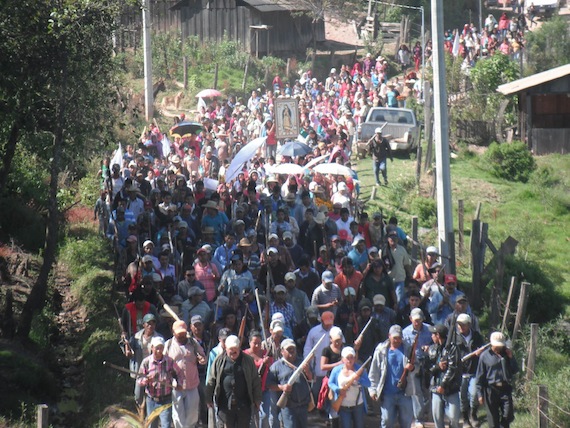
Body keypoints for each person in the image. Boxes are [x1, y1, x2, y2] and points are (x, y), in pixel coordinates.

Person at [205, 334, 262, 427]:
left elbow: (255, 380)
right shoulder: (219, 361)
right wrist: (208, 399)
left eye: (235, 349)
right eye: (230, 349)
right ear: (226, 348)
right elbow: (211, 380)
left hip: (244, 404)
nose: (233, 351)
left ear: (239, 347)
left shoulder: (248, 361)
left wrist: (257, 399)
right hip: (225, 404)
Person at [368, 325, 414, 428]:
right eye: (395, 338)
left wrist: (412, 368)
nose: (397, 340)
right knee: (387, 421)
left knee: (406, 423)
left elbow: (418, 367)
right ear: (389, 336)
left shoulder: (408, 348)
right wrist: (372, 389)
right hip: (387, 394)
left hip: (405, 393)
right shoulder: (381, 350)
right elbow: (374, 371)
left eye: (399, 338)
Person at [165, 320, 207, 428]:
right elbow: (163, 363)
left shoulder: (193, 343)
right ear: (173, 332)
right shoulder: (168, 345)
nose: (181, 336)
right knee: (178, 414)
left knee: (192, 413)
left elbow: (202, 356)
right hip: (176, 385)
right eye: (179, 334)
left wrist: (202, 359)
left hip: (192, 383)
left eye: (183, 334)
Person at [267, 338, 314, 428]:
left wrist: (307, 371)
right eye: (288, 349)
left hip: (303, 405)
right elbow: (269, 384)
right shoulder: (276, 366)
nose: (292, 351)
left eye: (293, 348)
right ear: (282, 351)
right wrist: (282, 387)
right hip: (288, 407)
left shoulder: (302, 363)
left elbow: (311, 378)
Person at [476, 331, 519, 428]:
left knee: (508, 415)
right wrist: (480, 394)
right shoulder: (484, 356)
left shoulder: (507, 354)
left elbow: (515, 370)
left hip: (505, 388)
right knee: (492, 419)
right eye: (496, 346)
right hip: (491, 390)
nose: (498, 348)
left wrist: (511, 358)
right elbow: (480, 376)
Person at [137, 336, 182, 428]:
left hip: (166, 399)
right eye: (157, 348)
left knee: (166, 425)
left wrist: (179, 383)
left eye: (161, 348)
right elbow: (139, 380)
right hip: (151, 399)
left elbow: (179, 373)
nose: (159, 351)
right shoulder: (146, 362)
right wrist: (146, 380)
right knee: (152, 425)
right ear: (152, 347)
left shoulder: (169, 361)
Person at [402, 308, 433, 428]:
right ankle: (418, 418)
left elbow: (436, 343)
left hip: (427, 363)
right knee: (416, 392)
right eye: (415, 320)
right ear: (410, 319)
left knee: (428, 389)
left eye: (419, 320)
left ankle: (430, 415)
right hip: (414, 365)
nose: (417, 322)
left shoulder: (430, 329)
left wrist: (429, 348)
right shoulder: (405, 332)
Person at [427, 324, 462, 428]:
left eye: (433, 334)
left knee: (453, 418)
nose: (431, 337)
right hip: (435, 388)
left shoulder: (453, 349)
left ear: (438, 335)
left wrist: (443, 385)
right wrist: (437, 367)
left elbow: (453, 369)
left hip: (451, 389)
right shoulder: (432, 349)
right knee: (437, 418)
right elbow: (427, 369)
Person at [328, 346, 371, 428]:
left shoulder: (359, 369)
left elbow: (368, 384)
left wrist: (359, 379)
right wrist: (338, 390)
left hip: (358, 405)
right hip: (343, 406)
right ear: (342, 359)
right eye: (347, 357)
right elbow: (331, 383)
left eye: (352, 357)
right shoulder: (337, 370)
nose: (349, 360)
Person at [455, 313, 485, 427]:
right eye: (459, 325)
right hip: (460, 372)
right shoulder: (454, 337)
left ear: (469, 325)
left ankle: (473, 415)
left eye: (463, 325)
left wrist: (479, 353)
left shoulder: (477, 336)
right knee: (462, 398)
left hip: (474, 371)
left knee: (473, 395)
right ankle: (465, 419)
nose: (461, 327)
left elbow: (483, 352)